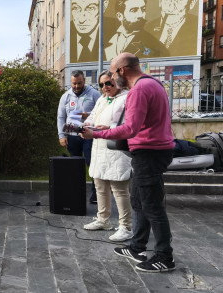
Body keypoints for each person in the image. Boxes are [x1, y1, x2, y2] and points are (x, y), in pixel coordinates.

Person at [81, 53, 176, 272]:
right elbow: (140, 124)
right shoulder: (153, 83)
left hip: (150, 153)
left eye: (113, 73)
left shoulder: (139, 89)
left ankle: (164, 256)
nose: (113, 79)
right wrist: (109, 130)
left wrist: (96, 134)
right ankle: (136, 247)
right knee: (139, 202)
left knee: (152, 206)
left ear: (122, 70)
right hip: (151, 151)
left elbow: (131, 128)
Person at [82, 71, 132, 242]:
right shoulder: (102, 98)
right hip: (99, 147)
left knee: (119, 188)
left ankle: (126, 226)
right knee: (100, 185)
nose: (105, 87)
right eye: (102, 84)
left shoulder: (127, 98)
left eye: (109, 83)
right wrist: (87, 125)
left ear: (117, 82)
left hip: (117, 148)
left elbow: (129, 124)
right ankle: (103, 220)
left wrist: (107, 129)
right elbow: (92, 116)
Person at [57, 70, 100, 204]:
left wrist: (88, 115)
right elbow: (61, 117)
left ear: (84, 81)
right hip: (72, 134)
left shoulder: (94, 94)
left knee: (91, 163)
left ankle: (96, 193)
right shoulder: (66, 96)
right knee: (74, 164)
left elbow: (101, 111)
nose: (76, 86)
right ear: (71, 82)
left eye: (79, 83)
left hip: (88, 134)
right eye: (74, 83)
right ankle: (75, 190)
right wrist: (61, 135)